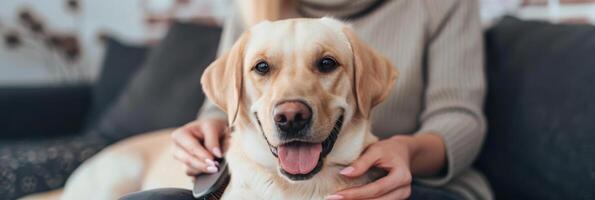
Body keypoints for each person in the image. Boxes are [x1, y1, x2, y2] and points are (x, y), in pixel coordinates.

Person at [124, 0, 492, 199]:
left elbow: (458, 118)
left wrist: (407, 151)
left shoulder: (441, 5)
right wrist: (209, 125)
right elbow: (225, 104)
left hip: (402, 181)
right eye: (264, 67)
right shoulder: (255, 8)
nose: (291, 108)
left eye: (326, 64)